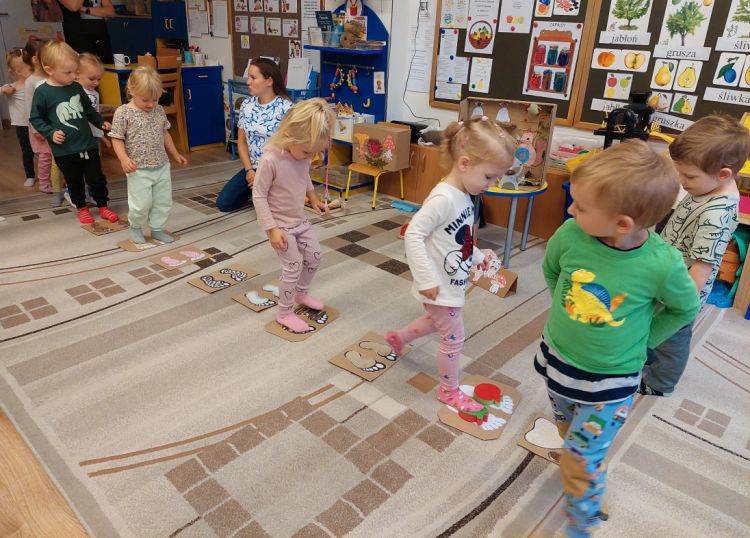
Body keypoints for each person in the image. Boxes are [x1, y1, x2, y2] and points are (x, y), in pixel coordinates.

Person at [537, 140, 700, 537]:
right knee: (566, 427)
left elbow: (684, 308)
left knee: (581, 456)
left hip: (611, 381)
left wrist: (645, 340)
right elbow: (552, 270)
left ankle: (582, 524)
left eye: (580, 207)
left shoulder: (662, 264)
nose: (571, 211)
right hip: (558, 360)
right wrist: (567, 312)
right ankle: (586, 461)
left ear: (622, 223)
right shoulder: (571, 234)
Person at [384, 116, 516, 420]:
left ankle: (399, 337)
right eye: (489, 177)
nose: (491, 184)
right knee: (454, 339)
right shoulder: (443, 198)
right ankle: (449, 391)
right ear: (465, 163)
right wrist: (426, 279)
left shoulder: (464, 196)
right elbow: (413, 234)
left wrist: (476, 256)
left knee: (437, 322)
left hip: (449, 280)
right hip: (438, 284)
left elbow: (457, 239)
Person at [641, 115, 750, 397]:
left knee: (672, 340)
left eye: (689, 177)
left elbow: (703, 265)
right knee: (653, 325)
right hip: (669, 276)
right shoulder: (708, 186)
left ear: (723, 174)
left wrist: (680, 302)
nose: (682, 181)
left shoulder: (717, 214)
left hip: (682, 292)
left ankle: (660, 383)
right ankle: (646, 357)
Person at [252, 98, 333, 333]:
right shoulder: (271, 159)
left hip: (300, 220)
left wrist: (313, 199)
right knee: (293, 265)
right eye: (307, 152)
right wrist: (271, 229)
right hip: (280, 225)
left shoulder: (303, 156)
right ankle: (285, 313)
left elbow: (304, 175)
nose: (310, 157)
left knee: (315, 256)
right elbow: (258, 195)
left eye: (315, 153)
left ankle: (301, 293)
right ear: (288, 136)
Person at [29, 41, 117, 224]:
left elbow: (89, 111)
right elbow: (36, 118)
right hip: (65, 150)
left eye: (75, 72)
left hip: (88, 144)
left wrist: (101, 123)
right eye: (68, 73)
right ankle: (82, 208)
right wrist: (50, 132)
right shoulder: (43, 92)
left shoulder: (76, 87)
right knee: (74, 180)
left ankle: (103, 206)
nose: (74, 76)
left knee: (97, 178)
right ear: (49, 70)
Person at [110, 67, 188, 244]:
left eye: (155, 99)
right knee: (141, 203)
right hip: (138, 168)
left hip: (162, 165)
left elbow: (165, 133)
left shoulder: (158, 110)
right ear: (131, 91)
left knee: (163, 201)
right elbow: (116, 138)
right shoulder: (123, 112)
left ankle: (157, 228)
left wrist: (175, 154)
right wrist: (123, 158)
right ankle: (135, 226)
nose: (151, 104)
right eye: (145, 100)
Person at [217, 57, 292, 212]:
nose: (248, 82)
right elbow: (242, 141)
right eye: (248, 77)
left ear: (269, 81)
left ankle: (265, 192)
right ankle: (258, 191)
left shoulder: (286, 108)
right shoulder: (247, 105)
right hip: (254, 168)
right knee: (224, 204)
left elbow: (291, 147)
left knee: (274, 210)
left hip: (276, 170)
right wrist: (249, 170)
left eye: (253, 77)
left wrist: (269, 176)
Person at [24, 39, 58, 196]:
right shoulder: (31, 82)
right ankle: (44, 183)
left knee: (57, 154)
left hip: (54, 124)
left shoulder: (52, 77)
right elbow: (30, 108)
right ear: (36, 60)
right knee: (45, 156)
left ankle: (57, 180)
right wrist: (36, 129)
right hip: (40, 127)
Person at [2, 49, 35, 188]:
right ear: (14, 71)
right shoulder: (12, 87)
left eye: (30, 68)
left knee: (46, 151)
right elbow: (2, 90)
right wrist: (4, 89)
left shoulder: (35, 84)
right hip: (22, 125)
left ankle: (52, 175)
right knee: (27, 151)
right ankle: (30, 175)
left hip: (39, 123)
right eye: (20, 69)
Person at [56, 0, 114, 64]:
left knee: (106, 65)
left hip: (101, 35)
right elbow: (74, 7)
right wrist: (95, 11)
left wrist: (85, 9)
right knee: (83, 66)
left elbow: (110, 11)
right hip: (78, 37)